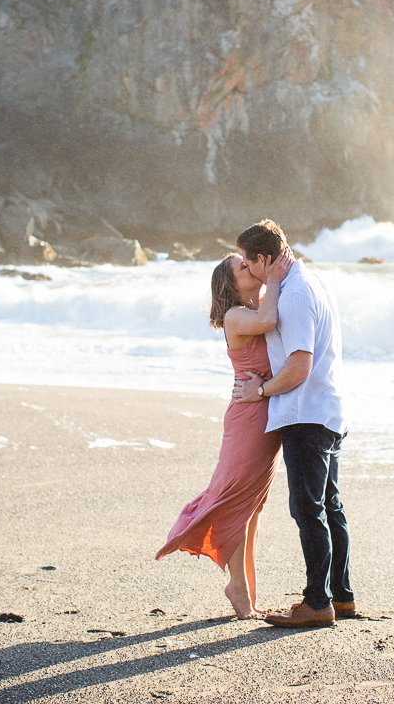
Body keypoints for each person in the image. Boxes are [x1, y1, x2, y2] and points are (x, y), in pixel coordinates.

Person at [155, 247, 294, 619]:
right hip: (248, 418)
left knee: (254, 506)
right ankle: (238, 589)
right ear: (231, 286)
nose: (249, 267)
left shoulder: (254, 306)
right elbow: (269, 321)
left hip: (266, 413)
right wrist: (276, 277)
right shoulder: (237, 316)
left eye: (248, 262)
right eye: (242, 267)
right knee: (236, 502)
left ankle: (247, 588)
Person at [232, 219, 354, 628]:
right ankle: (342, 596)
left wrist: (262, 392)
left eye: (249, 265)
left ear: (266, 259)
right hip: (327, 409)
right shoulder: (313, 281)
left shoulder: (295, 295)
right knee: (330, 507)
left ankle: (317, 603)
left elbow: (299, 366)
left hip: (306, 413)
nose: (247, 272)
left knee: (309, 510)